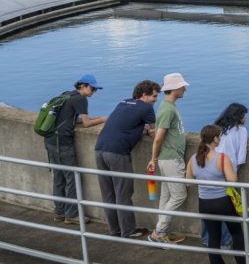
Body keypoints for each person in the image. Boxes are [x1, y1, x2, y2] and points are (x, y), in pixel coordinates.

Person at [94, 79, 160, 239]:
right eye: (154, 97)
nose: (155, 100)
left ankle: (114, 230)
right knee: (123, 193)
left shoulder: (124, 102)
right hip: (118, 153)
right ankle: (128, 231)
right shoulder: (147, 108)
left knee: (108, 194)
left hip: (99, 149)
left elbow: (124, 122)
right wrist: (146, 130)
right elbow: (155, 132)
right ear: (144, 95)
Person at [186, 125, 245, 264]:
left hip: (204, 203)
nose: (220, 138)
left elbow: (189, 182)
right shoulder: (222, 157)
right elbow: (232, 180)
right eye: (219, 136)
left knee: (213, 237)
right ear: (215, 139)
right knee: (237, 232)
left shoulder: (193, 159)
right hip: (223, 202)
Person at [45, 74, 106, 224]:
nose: (93, 92)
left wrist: (91, 119)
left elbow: (68, 118)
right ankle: (71, 215)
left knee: (59, 177)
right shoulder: (80, 99)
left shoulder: (66, 95)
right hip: (63, 143)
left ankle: (59, 212)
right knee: (71, 178)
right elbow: (86, 124)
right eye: (92, 88)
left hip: (51, 140)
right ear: (83, 86)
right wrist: (103, 119)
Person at [148, 73, 190, 244]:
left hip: (169, 158)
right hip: (171, 159)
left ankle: (161, 231)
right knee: (179, 196)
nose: (184, 89)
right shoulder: (167, 109)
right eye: (182, 86)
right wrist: (153, 159)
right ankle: (158, 232)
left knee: (165, 197)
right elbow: (158, 138)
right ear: (175, 89)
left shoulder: (168, 107)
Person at [202, 103, 249, 249]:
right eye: (243, 115)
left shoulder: (216, 129)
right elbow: (241, 158)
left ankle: (206, 238)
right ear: (238, 117)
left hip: (209, 170)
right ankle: (225, 242)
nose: (245, 118)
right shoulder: (241, 131)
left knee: (209, 206)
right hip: (227, 172)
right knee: (228, 208)